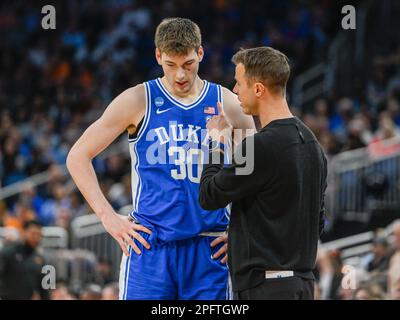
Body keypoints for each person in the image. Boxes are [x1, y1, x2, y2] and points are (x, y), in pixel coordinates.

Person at [66, 17, 255, 300]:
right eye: (171, 65)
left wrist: (244, 228)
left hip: (209, 247)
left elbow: (253, 170)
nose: (180, 74)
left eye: (188, 64)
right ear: (158, 56)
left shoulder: (227, 102)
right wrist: (108, 217)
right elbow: (78, 156)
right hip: (150, 247)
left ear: (200, 53)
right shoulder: (137, 100)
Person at [199, 46, 327, 300]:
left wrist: (216, 144)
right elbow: (318, 223)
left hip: (268, 287)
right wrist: (240, 238)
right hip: (302, 285)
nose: (235, 91)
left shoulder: (260, 146)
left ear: (258, 89)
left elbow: (209, 195)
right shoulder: (314, 145)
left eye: (238, 83)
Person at [0, 220, 50, 300]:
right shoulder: (8, 253)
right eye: (33, 234)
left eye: (39, 235)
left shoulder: (40, 259)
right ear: (23, 232)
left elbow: (44, 290)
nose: (36, 237)